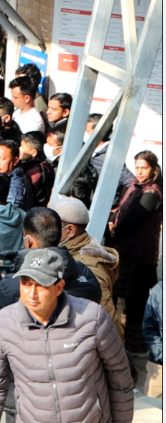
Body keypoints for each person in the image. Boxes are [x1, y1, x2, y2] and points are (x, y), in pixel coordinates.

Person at [0, 247, 133, 422]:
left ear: (59, 287)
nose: (32, 294)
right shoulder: (4, 323)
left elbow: (120, 378)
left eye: (40, 285)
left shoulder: (92, 318)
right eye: (26, 283)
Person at [110, 150, 163, 352]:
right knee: (118, 299)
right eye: (137, 167)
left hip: (140, 258)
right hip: (124, 253)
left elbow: (133, 220)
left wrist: (115, 231)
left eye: (144, 168)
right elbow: (121, 212)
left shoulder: (152, 193)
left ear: (153, 170)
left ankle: (136, 349)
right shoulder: (134, 188)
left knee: (135, 306)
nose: (139, 172)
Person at [54, 195, 123, 337]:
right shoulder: (70, 252)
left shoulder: (88, 268)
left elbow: (108, 321)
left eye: (51, 227)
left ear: (70, 230)